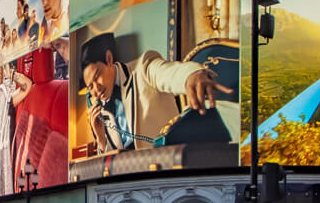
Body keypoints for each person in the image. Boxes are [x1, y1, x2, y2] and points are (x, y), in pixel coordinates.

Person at [80, 32, 231, 153]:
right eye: (90, 86)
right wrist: (101, 139)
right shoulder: (102, 108)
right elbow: (111, 162)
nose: (96, 89)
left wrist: (192, 76)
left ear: (109, 59)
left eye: (97, 76)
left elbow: (169, 73)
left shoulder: (143, 68)